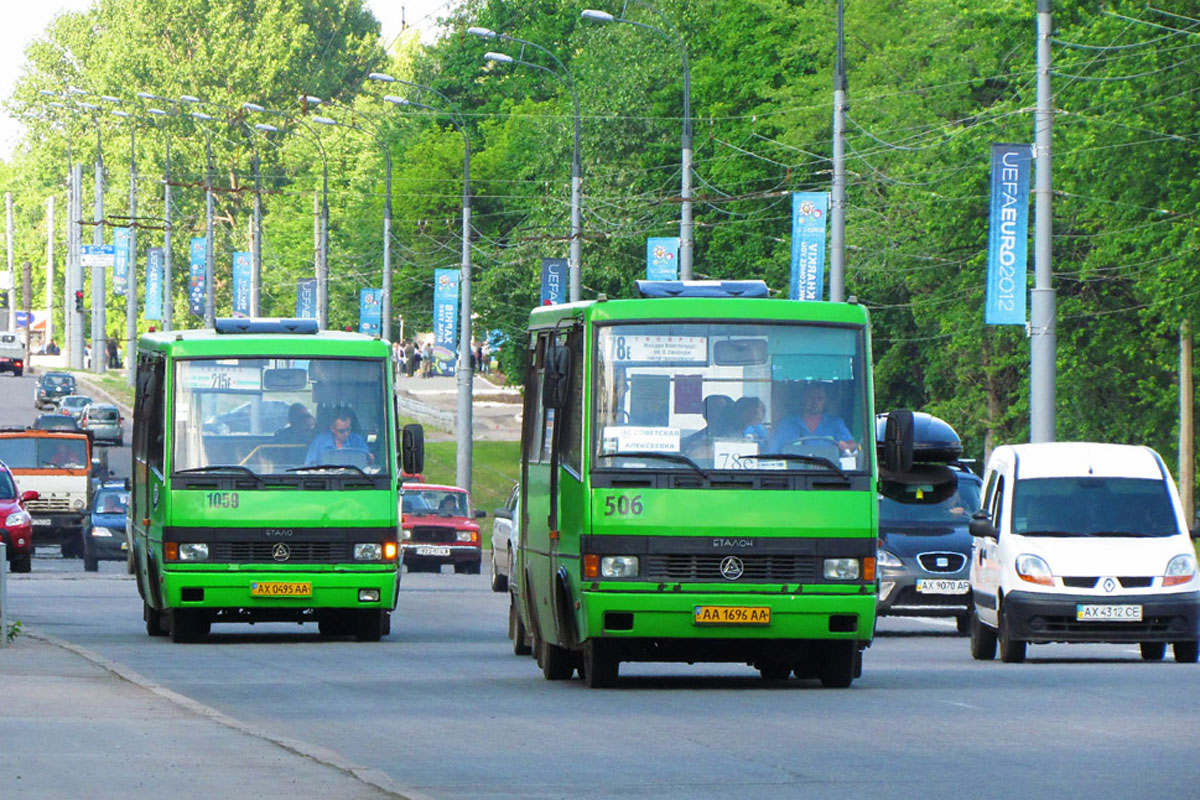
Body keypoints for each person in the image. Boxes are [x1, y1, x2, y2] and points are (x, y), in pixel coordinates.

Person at [766, 383, 857, 454]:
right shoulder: (785, 424)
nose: (814, 402)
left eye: (819, 399)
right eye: (810, 398)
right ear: (803, 399)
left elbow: (852, 445)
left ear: (825, 402)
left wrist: (847, 446)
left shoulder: (835, 423)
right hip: (793, 475)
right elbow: (771, 453)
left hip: (830, 475)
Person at [305, 408, 370, 465]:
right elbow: (309, 464)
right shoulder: (319, 442)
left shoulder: (357, 440)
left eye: (348, 429)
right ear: (332, 429)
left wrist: (370, 459)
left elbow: (366, 463)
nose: (346, 433)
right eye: (341, 431)